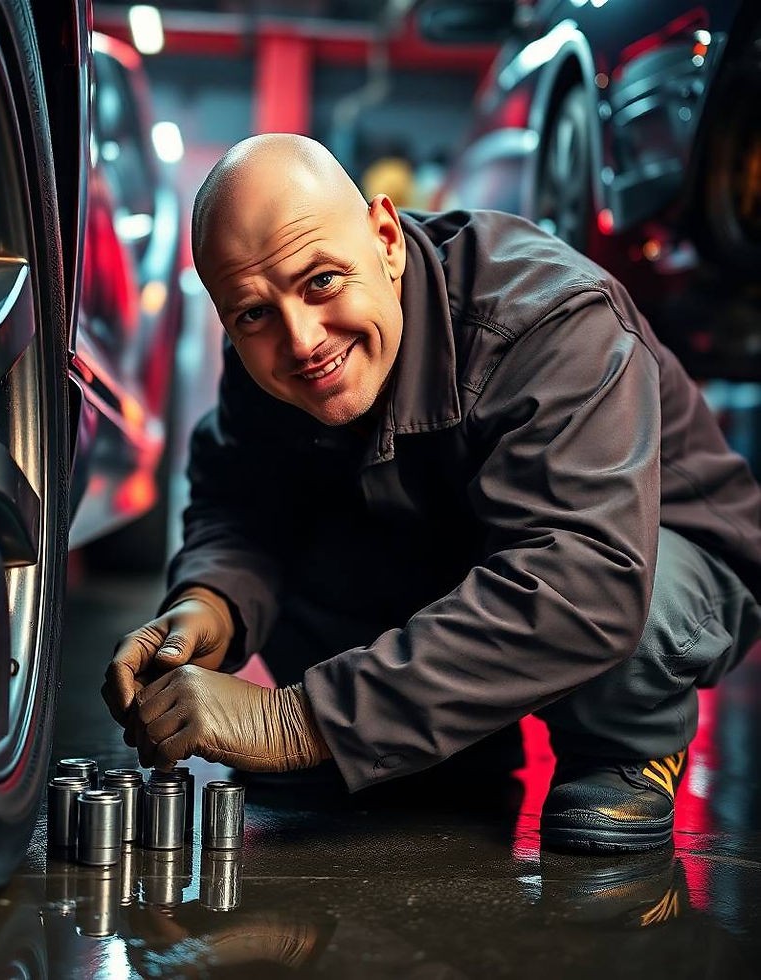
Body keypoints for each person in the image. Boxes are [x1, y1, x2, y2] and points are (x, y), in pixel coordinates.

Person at [102, 134, 761, 852]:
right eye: (253, 313)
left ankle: (628, 747)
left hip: (658, 554)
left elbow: (585, 581)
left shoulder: (552, 320)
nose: (301, 340)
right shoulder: (267, 339)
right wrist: (210, 602)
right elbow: (243, 504)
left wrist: (299, 724)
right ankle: (442, 750)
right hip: (466, 546)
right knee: (322, 545)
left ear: (385, 239)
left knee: (618, 593)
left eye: (321, 281)